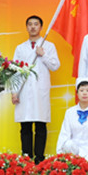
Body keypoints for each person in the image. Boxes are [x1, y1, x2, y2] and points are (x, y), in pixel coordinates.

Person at [11, 15, 60, 164]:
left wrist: (43, 55)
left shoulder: (48, 46)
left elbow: (55, 66)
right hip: (24, 91)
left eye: (36, 24)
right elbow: (15, 71)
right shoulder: (20, 48)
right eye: (30, 24)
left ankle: (39, 160)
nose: (33, 27)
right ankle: (26, 160)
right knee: (25, 127)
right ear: (26, 27)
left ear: (41, 27)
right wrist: (14, 92)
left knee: (40, 126)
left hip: (40, 91)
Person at [56, 78, 88, 175]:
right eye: (81, 90)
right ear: (77, 93)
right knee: (67, 144)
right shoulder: (70, 112)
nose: (84, 93)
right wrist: (59, 153)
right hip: (74, 148)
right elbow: (64, 133)